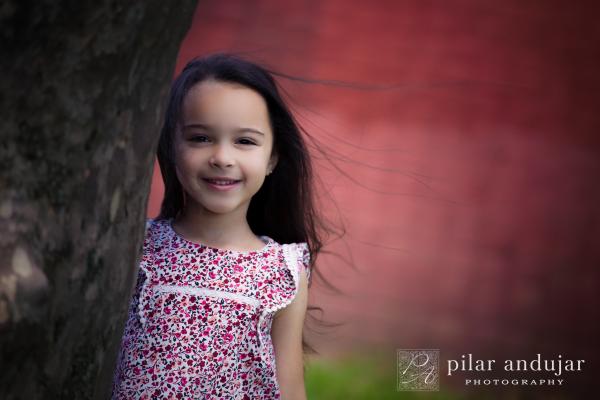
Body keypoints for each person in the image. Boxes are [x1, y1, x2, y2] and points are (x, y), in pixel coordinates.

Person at [112, 53, 323, 399]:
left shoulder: (283, 272)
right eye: (200, 138)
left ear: (272, 157)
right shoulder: (138, 246)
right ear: (170, 147)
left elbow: (289, 389)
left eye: (245, 141)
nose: (223, 158)